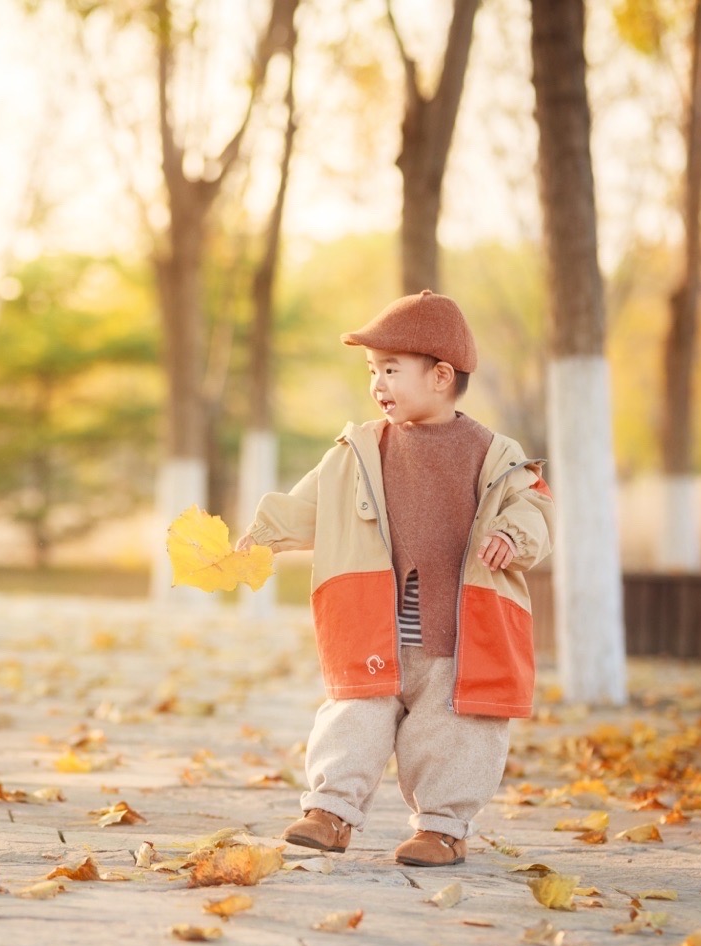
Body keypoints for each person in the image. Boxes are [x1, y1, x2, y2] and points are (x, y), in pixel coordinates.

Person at [237, 289, 554, 866]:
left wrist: (514, 536)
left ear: (439, 376)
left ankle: (442, 826)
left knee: (452, 731)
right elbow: (313, 504)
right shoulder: (359, 450)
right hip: (375, 622)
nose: (377, 385)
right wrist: (262, 536)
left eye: (390, 370)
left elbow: (530, 508)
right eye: (372, 371)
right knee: (353, 713)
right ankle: (330, 812)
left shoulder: (495, 454)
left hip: (457, 633)